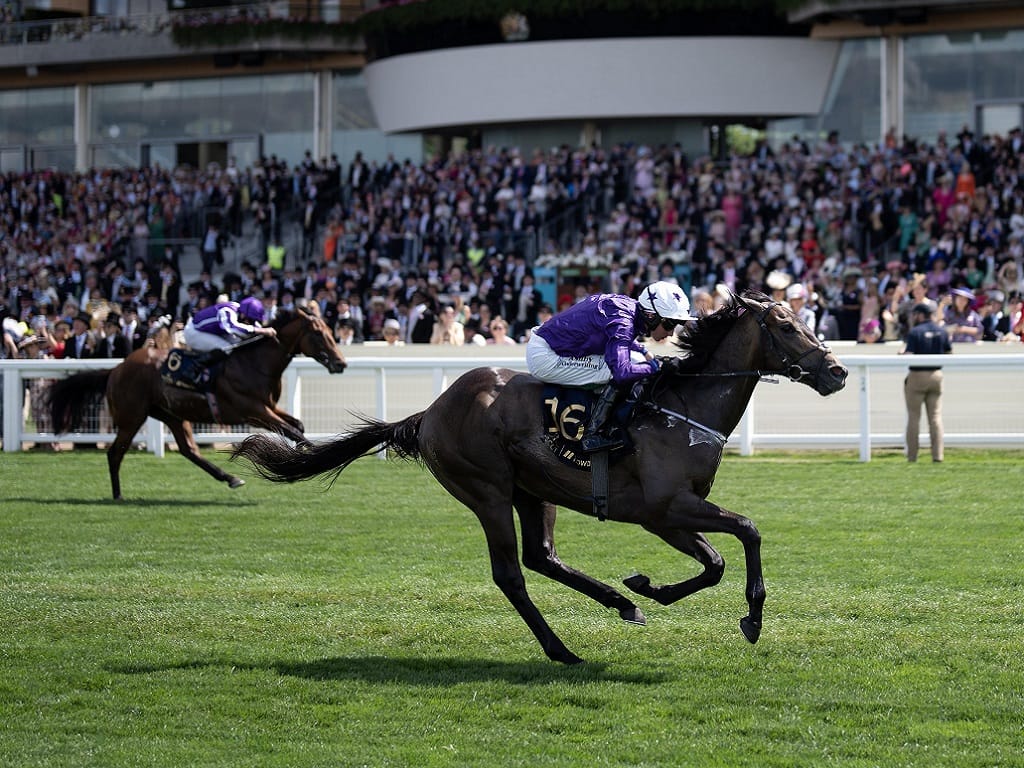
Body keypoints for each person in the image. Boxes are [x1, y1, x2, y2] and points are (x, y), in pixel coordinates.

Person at [526, 281, 691, 453]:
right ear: (651, 316)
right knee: (632, 366)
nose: (671, 332)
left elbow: (618, 336)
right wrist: (656, 366)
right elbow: (621, 372)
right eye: (670, 324)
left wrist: (643, 350)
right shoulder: (624, 321)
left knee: (636, 358)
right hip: (546, 356)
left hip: (548, 344)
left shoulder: (629, 308)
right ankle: (595, 434)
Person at [900, 302, 952, 463]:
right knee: (935, 417)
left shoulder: (915, 332)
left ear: (920, 315)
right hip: (936, 375)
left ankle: (912, 456)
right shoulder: (942, 331)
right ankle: (938, 455)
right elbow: (949, 352)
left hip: (917, 376)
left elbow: (909, 354)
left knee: (914, 417)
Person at [183, 296, 276, 363]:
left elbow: (254, 326)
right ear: (243, 314)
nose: (252, 322)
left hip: (210, 331)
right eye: (251, 320)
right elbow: (234, 328)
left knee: (239, 345)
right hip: (194, 332)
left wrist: (264, 331)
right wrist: (262, 331)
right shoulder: (227, 311)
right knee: (227, 349)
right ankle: (201, 372)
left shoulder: (241, 312)